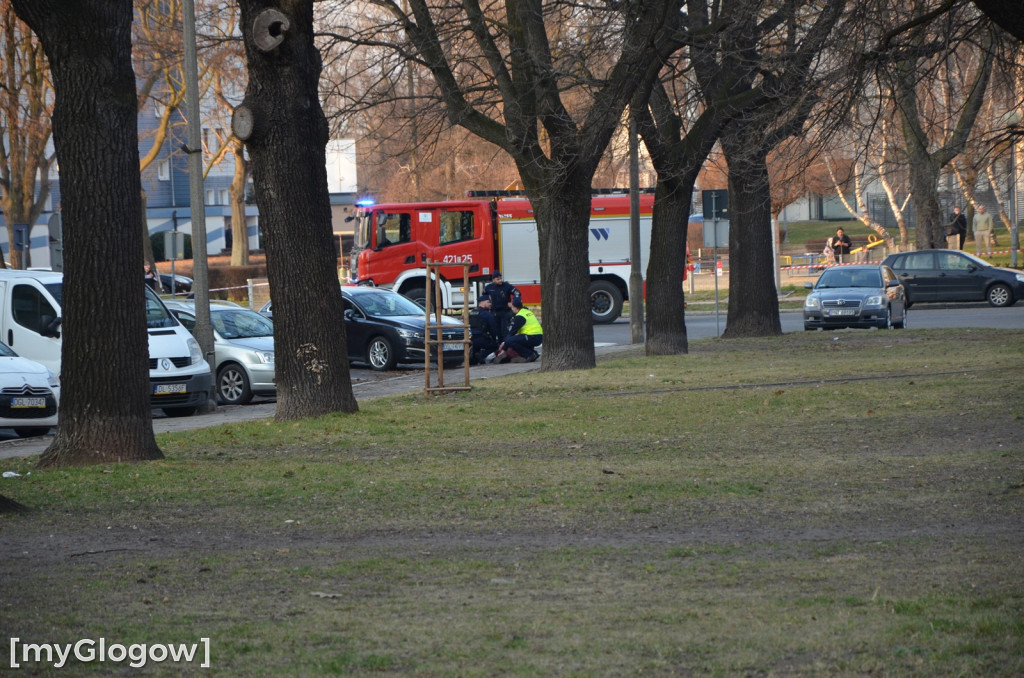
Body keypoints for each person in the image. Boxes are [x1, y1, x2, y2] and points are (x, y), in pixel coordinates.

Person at [497, 296, 542, 364]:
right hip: (537, 336)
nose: (512, 309)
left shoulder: (520, 316)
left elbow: (511, 332)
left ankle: (529, 354)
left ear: (515, 308)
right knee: (516, 339)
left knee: (510, 341)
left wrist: (504, 347)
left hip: (532, 336)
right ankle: (533, 353)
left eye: (512, 307)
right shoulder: (526, 311)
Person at [468, 296, 500, 365]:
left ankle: (473, 359)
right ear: (482, 303)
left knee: (474, 354)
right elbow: (493, 329)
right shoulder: (487, 314)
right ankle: (482, 354)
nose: (490, 304)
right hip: (483, 338)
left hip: (472, 340)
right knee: (496, 347)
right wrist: (495, 340)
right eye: (488, 302)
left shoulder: (471, 313)